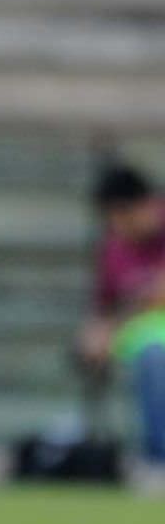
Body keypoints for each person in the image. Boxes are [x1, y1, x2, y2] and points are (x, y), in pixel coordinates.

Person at [79, 164, 165, 492]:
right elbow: (104, 307)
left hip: (147, 336)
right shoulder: (115, 249)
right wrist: (96, 333)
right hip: (139, 335)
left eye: (120, 217)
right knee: (151, 354)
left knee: (156, 357)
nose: (117, 227)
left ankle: (160, 460)